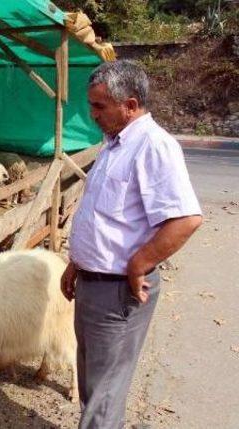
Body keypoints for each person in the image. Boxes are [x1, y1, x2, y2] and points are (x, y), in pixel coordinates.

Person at [60, 60, 203, 429]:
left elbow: (186, 218)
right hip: (93, 284)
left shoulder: (154, 146)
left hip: (118, 291)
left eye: (99, 106)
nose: (92, 114)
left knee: (105, 394)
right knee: (93, 382)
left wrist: (139, 263)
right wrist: (75, 263)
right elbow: (103, 217)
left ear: (131, 104)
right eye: (91, 105)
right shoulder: (113, 145)